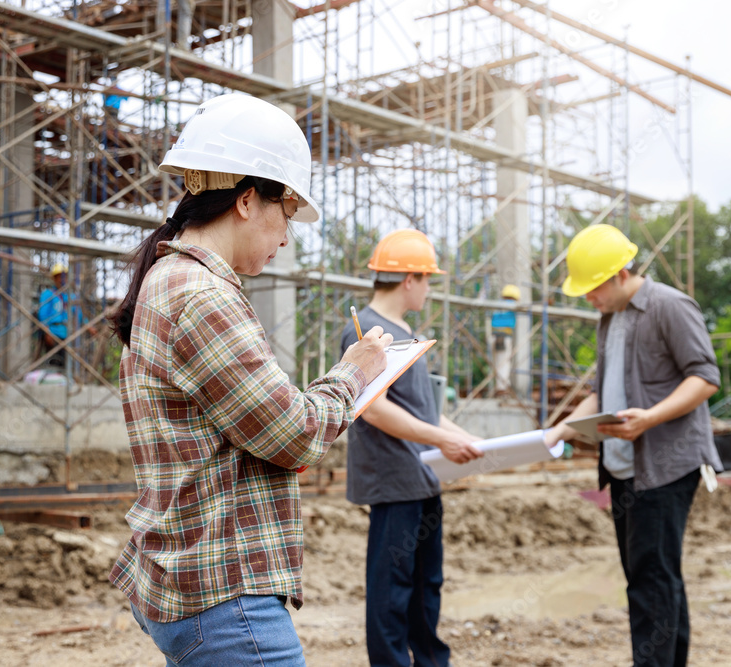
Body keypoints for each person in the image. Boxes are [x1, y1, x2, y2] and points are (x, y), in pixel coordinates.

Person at [107, 94, 393, 666]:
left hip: (199, 584)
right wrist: (354, 374)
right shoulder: (202, 294)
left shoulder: (173, 280)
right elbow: (294, 435)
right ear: (245, 201)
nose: (286, 237)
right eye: (285, 215)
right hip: (225, 592)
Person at [544, 225, 723, 667]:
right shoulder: (611, 317)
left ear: (621, 274)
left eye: (593, 288)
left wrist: (650, 418)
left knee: (650, 579)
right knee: (653, 577)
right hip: (623, 467)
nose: (588, 298)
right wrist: (562, 429)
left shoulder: (669, 307)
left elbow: (705, 378)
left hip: (664, 466)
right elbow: (604, 390)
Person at [341, 228, 483, 667]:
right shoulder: (364, 332)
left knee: (426, 584)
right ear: (410, 280)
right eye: (427, 279)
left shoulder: (407, 332)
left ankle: (430, 660)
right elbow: (376, 410)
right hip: (393, 482)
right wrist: (444, 439)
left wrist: (467, 438)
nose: (428, 288)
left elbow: (425, 410)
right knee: (392, 590)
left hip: (422, 480)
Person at [37, 264, 96, 364]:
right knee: (53, 361)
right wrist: (47, 332)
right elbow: (43, 315)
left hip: (65, 334)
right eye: (59, 277)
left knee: (64, 363)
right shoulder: (48, 294)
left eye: (63, 277)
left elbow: (78, 315)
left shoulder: (70, 296)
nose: (61, 280)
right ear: (54, 278)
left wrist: (89, 327)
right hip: (52, 332)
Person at [491, 283, 520, 396]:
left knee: (497, 362)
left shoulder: (497, 304)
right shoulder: (513, 305)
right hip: (504, 337)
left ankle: (500, 385)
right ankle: (502, 387)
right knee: (504, 362)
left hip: (494, 336)